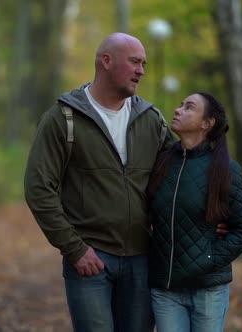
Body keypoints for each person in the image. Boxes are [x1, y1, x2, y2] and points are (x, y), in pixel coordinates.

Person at [24, 32, 172, 331]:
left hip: (143, 258)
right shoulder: (63, 118)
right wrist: (73, 248)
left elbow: (182, 177)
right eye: (134, 62)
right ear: (106, 61)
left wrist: (217, 213)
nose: (141, 71)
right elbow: (39, 188)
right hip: (90, 258)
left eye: (143, 63)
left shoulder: (151, 119)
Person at [146, 92, 242, 332]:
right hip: (166, 290)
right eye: (180, 105)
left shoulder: (226, 169)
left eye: (189, 107)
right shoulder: (162, 163)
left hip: (208, 290)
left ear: (207, 123)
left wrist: (208, 259)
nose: (178, 110)